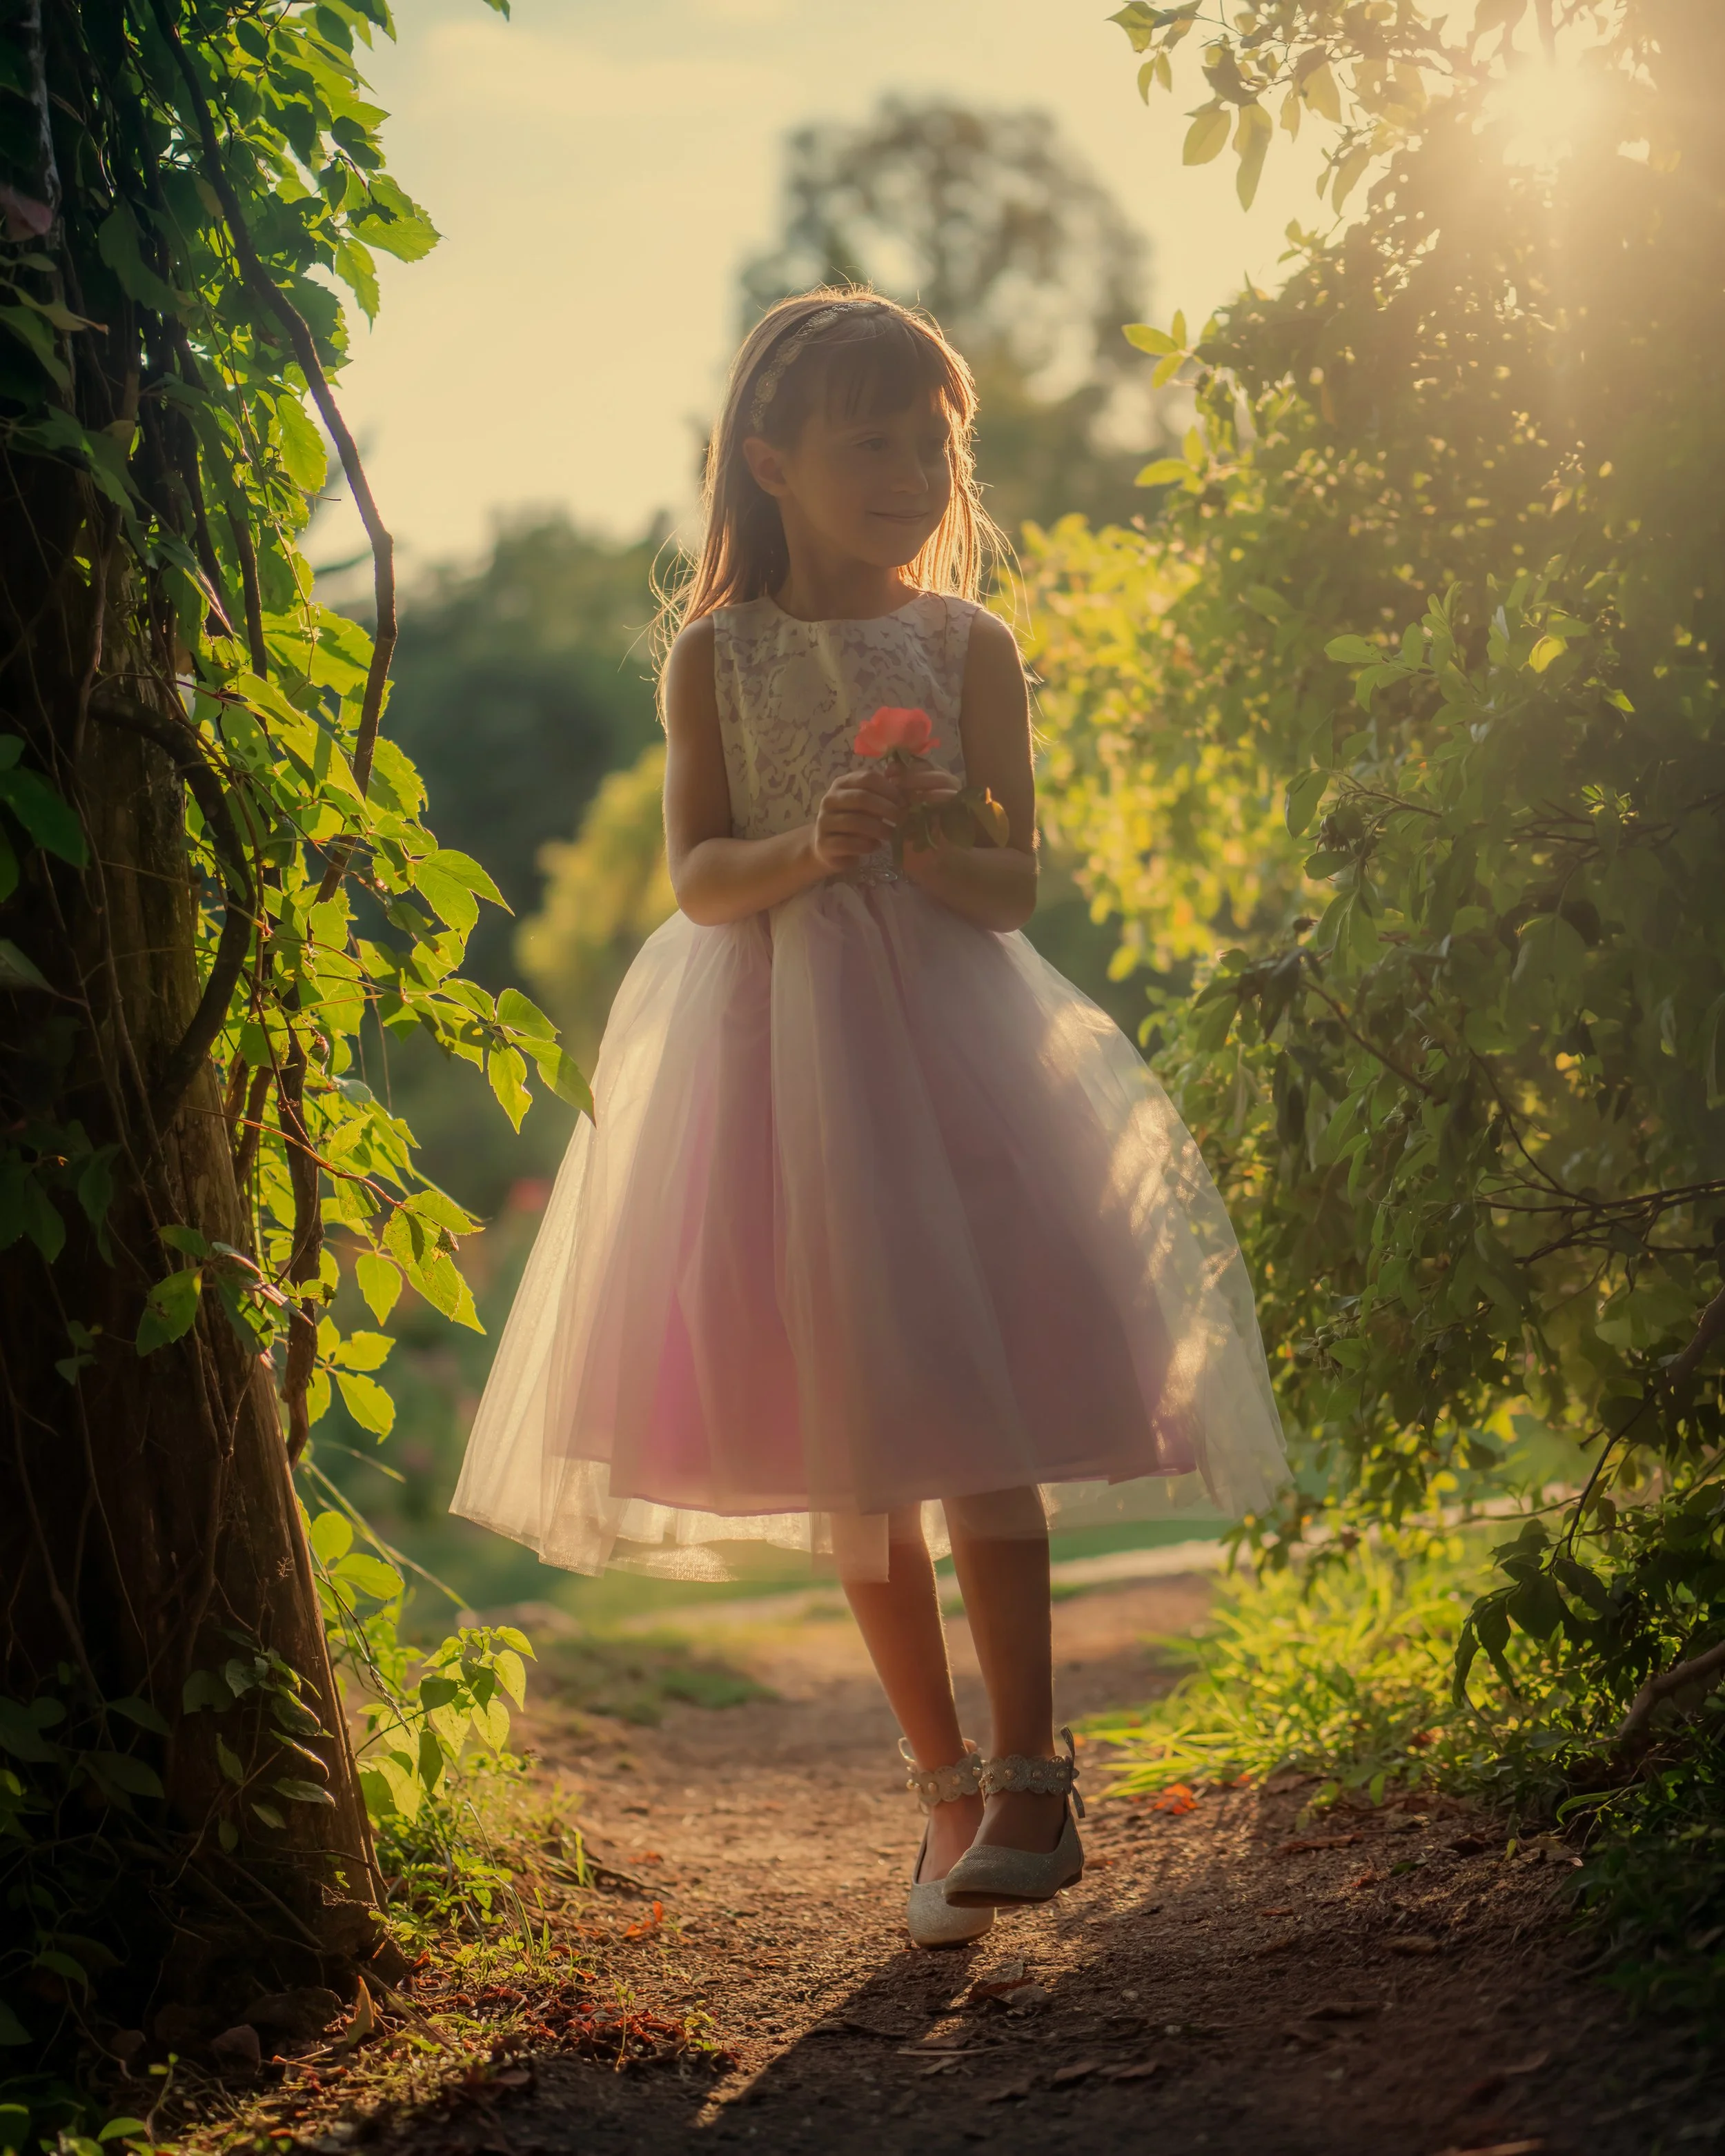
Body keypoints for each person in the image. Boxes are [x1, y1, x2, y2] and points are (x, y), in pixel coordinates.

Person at [452, 288, 1286, 1946]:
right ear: (769, 459)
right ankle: (942, 1785)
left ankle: (1036, 1768)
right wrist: (813, 842)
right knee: (857, 1444)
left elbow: (1011, 885)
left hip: (956, 1055)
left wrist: (916, 845)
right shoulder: (716, 656)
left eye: (933, 439)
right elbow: (697, 877)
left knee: (974, 1392)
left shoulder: (970, 645)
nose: (913, 466)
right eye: (871, 439)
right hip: (777, 1066)